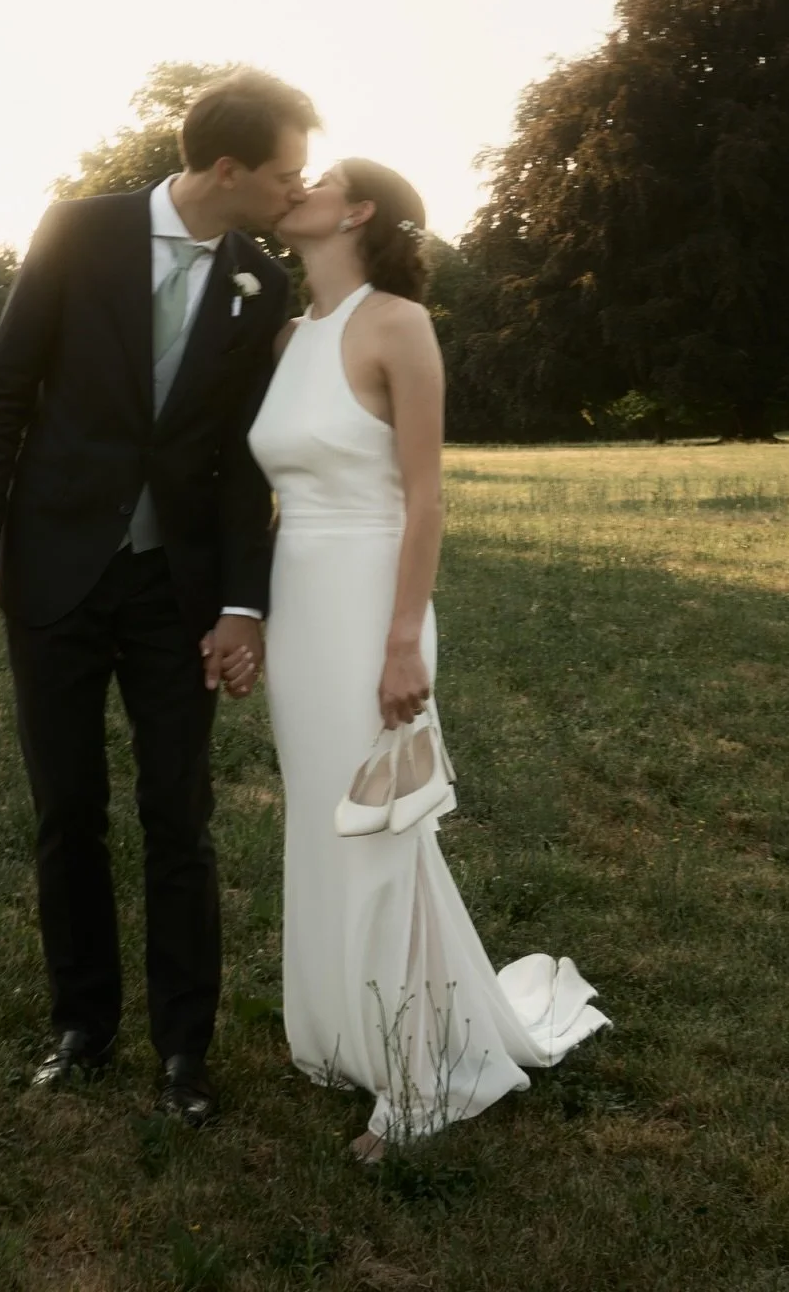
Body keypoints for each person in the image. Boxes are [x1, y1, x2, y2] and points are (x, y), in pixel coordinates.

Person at [0, 67, 319, 1126]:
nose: (297, 195)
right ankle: (81, 1024)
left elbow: (247, 462)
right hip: (55, 571)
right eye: (285, 176)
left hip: (178, 591)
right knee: (67, 809)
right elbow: (1, 395)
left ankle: (183, 1053)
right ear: (225, 168)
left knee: (180, 815)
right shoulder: (76, 230)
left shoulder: (264, 281)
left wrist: (242, 603)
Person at [248, 159, 610, 1162]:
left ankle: (425, 1078)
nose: (297, 188)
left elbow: (426, 497)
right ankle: (343, 1031)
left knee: (380, 827)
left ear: (358, 210)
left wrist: (405, 637)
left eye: (316, 179)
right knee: (325, 819)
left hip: (374, 602)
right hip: (300, 604)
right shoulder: (288, 337)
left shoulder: (398, 322)